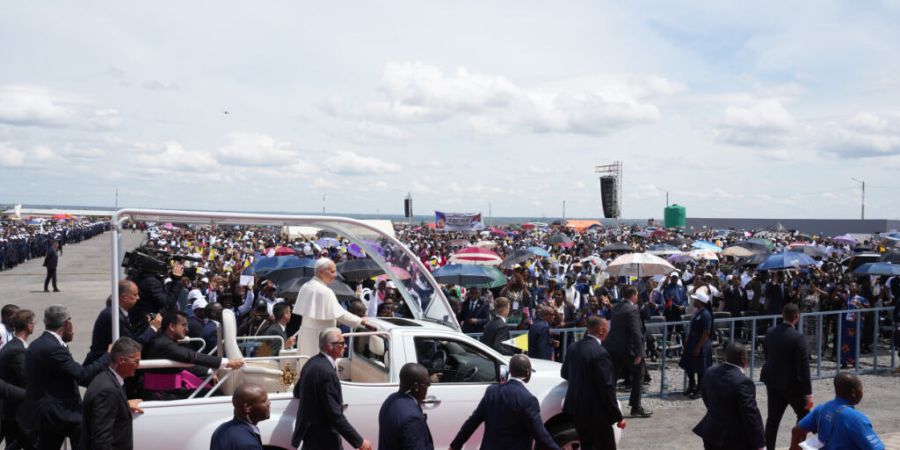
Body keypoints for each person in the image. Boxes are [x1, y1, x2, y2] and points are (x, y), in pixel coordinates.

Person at [17, 304, 111, 450]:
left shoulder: (38, 344)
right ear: (66, 323)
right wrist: (108, 355)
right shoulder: (53, 347)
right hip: (61, 414)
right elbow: (82, 375)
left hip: (49, 414)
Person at [450, 354, 559, 450]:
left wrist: (455, 445)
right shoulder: (528, 400)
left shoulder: (491, 392)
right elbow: (541, 436)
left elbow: (472, 422)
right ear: (527, 372)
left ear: (510, 371)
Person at [291, 328, 371, 450]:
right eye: (341, 343)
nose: (345, 346)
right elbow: (335, 415)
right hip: (324, 439)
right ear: (329, 347)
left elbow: (297, 392)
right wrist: (359, 442)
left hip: (309, 435)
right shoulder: (327, 373)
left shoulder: (311, 362)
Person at [141, 311, 244, 399]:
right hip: (162, 394)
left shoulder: (163, 340)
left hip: (167, 389)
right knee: (217, 394)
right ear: (172, 326)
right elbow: (190, 356)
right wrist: (227, 362)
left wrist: (208, 371)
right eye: (184, 325)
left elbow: (184, 361)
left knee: (208, 381)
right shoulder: (164, 343)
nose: (187, 329)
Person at [560, 316, 624, 450]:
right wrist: (618, 416)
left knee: (586, 445)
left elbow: (564, 373)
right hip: (597, 413)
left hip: (577, 409)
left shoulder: (573, 347)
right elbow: (607, 387)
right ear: (601, 330)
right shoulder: (600, 353)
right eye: (607, 328)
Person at [692, 342, 765, 450]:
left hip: (711, 432)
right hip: (733, 439)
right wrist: (760, 444)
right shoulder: (744, 382)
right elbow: (750, 415)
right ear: (743, 359)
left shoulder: (710, 372)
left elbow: (706, 397)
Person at [760, 303, 812, 450]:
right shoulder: (798, 338)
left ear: (782, 315)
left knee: (773, 419)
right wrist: (808, 393)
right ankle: (796, 446)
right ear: (797, 317)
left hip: (773, 381)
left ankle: (769, 448)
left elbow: (766, 354)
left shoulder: (770, 332)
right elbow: (803, 367)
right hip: (792, 384)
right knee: (804, 415)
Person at [294, 258, 367, 361]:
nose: (335, 275)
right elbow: (341, 315)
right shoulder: (325, 291)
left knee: (306, 364)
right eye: (332, 272)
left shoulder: (306, 286)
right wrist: (361, 322)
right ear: (320, 272)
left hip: (306, 336)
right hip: (320, 338)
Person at [78, 337, 144, 450]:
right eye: (136, 361)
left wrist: (124, 405)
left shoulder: (107, 379)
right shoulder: (108, 391)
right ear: (121, 360)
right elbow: (101, 440)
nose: (138, 366)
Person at [790, 373, 884, 450]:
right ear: (854, 393)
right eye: (861, 389)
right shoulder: (856, 419)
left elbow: (796, 431)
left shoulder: (822, 408)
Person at [85, 279, 161, 365]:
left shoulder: (119, 312)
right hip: (101, 366)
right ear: (124, 297)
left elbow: (130, 336)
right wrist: (153, 328)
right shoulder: (114, 316)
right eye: (135, 295)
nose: (138, 298)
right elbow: (132, 345)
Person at [604, 286, 652, 418]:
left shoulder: (616, 307)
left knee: (613, 378)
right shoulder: (632, 309)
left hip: (613, 348)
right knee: (639, 374)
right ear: (634, 295)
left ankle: (608, 406)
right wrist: (639, 353)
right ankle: (636, 407)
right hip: (628, 349)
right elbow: (636, 332)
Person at [378, 363, 434, 450]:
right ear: (416, 387)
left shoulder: (390, 400)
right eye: (427, 384)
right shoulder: (412, 418)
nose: (428, 387)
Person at [0, 309, 34, 449]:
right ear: (29, 326)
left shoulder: (14, 346)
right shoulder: (17, 350)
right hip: (16, 411)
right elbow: (27, 378)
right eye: (33, 322)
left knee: (16, 443)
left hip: (12, 409)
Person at [209, 383, 271, 450]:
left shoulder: (220, 429)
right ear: (247, 407)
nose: (269, 403)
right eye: (264, 401)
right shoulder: (249, 444)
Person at [680, 292, 713, 399]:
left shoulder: (705, 314)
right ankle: (692, 384)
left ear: (700, 302)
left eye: (696, 299)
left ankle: (700, 389)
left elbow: (706, 332)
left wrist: (698, 347)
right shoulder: (697, 312)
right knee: (688, 364)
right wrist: (687, 340)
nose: (694, 301)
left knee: (700, 368)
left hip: (701, 343)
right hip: (692, 341)